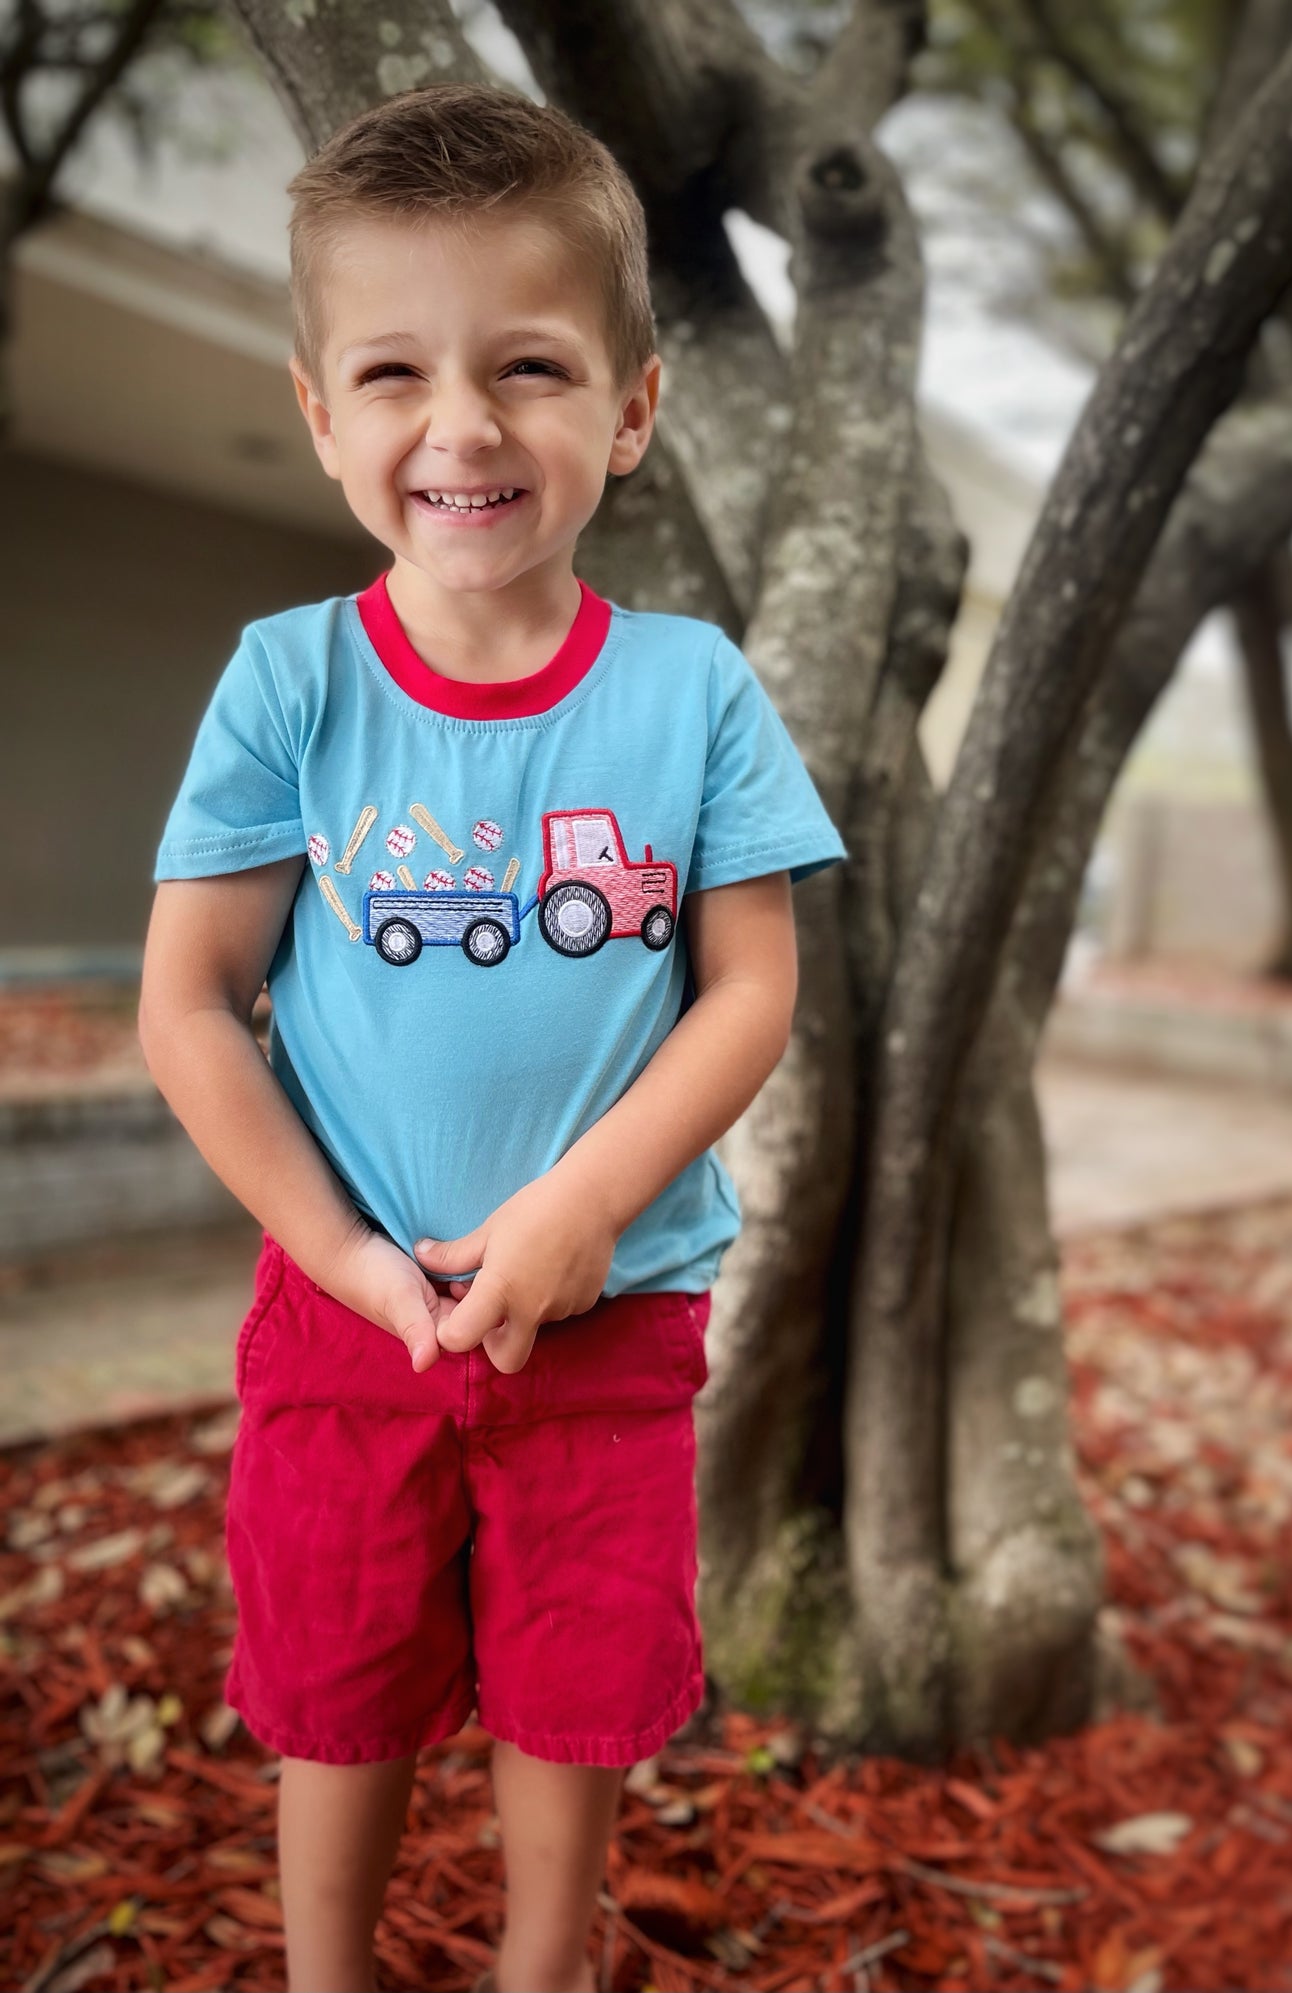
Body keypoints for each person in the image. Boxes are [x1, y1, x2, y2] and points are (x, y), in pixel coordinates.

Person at [138, 81, 846, 1993]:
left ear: (627, 407)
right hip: (339, 1319)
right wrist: (350, 1261)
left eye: (528, 366)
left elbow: (750, 988)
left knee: (578, 1685)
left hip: (605, 1319)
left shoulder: (691, 693)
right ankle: (328, 1969)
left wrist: (584, 1208)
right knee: (333, 1685)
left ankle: (546, 1964)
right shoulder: (288, 684)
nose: (460, 425)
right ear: (318, 412)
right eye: (392, 372)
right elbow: (190, 1002)